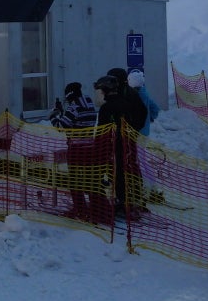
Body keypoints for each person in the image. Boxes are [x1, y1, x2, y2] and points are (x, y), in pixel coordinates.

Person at [49, 81, 105, 221]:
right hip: (90, 147)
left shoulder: (74, 107)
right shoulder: (88, 101)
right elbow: (75, 121)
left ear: (69, 95)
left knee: (75, 180)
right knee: (90, 180)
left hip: (76, 149)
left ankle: (79, 209)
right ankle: (97, 209)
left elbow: (62, 126)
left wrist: (53, 116)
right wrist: (64, 112)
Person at [94, 73, 143, 218]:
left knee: (116, 174)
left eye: (101, 90)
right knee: (128, 171)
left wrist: (98, 147)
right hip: (128, 143)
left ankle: (120, 203)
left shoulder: (107, 108)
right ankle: (130, 202)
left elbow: (103, 130)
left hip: (113, 146)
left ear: (105, 90)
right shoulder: (127, 103)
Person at [126, 69, 160, 136]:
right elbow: (155, 108)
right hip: (144, 131)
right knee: (141, 146)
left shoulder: (130, 96)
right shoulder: (145, 94)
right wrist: (151, 117)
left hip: (132, 131)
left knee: (133, 146)